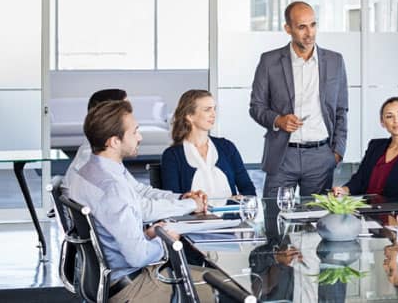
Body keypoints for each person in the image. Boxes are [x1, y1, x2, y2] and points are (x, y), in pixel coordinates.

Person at [67, 100, 216, 302]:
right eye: (135, 131)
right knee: (215, 284)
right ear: (114, 141)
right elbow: (138, 256)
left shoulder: (89, 171)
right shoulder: (113, 188)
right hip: (132, 287)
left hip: (108, 279)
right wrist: (167, 241)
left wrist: (148, 233)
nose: (140, 137)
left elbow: (120, 219)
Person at [249, 1, 349, 197]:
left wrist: (338, 151)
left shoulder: (335, 61)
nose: (309, 33)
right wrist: (278, 120)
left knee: (315, 221)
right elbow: (256, 106)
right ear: (288, 28)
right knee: (274, 219)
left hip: (321, 156)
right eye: (302, 27)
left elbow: (341, 109)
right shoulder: (269, 61)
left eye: (313, 25)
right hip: (282, 155)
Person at [61, 88, 205, 221]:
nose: (131, 115)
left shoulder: (102, 157)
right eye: (125, 110)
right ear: (109, 116)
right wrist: (190, 205)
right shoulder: (95, 164)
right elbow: (140, 209)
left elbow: (138, 191)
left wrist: (180, 198)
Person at [332, 97, 398, 208]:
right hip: (366, 214)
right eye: (389, 116)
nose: (396, 120)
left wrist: (377, 207)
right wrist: (344, 190)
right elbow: (360, 180)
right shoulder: (375, 146)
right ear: (382, 122)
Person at [161, 90, 256, 199]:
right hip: (194, 216)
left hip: (230, 214)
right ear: (189, 116)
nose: (213, 114)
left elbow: (248, 189)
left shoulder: (227, 147)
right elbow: (172, 199)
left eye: (214, 109)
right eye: (207, 110)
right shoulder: (172, 155)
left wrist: (243, 199)